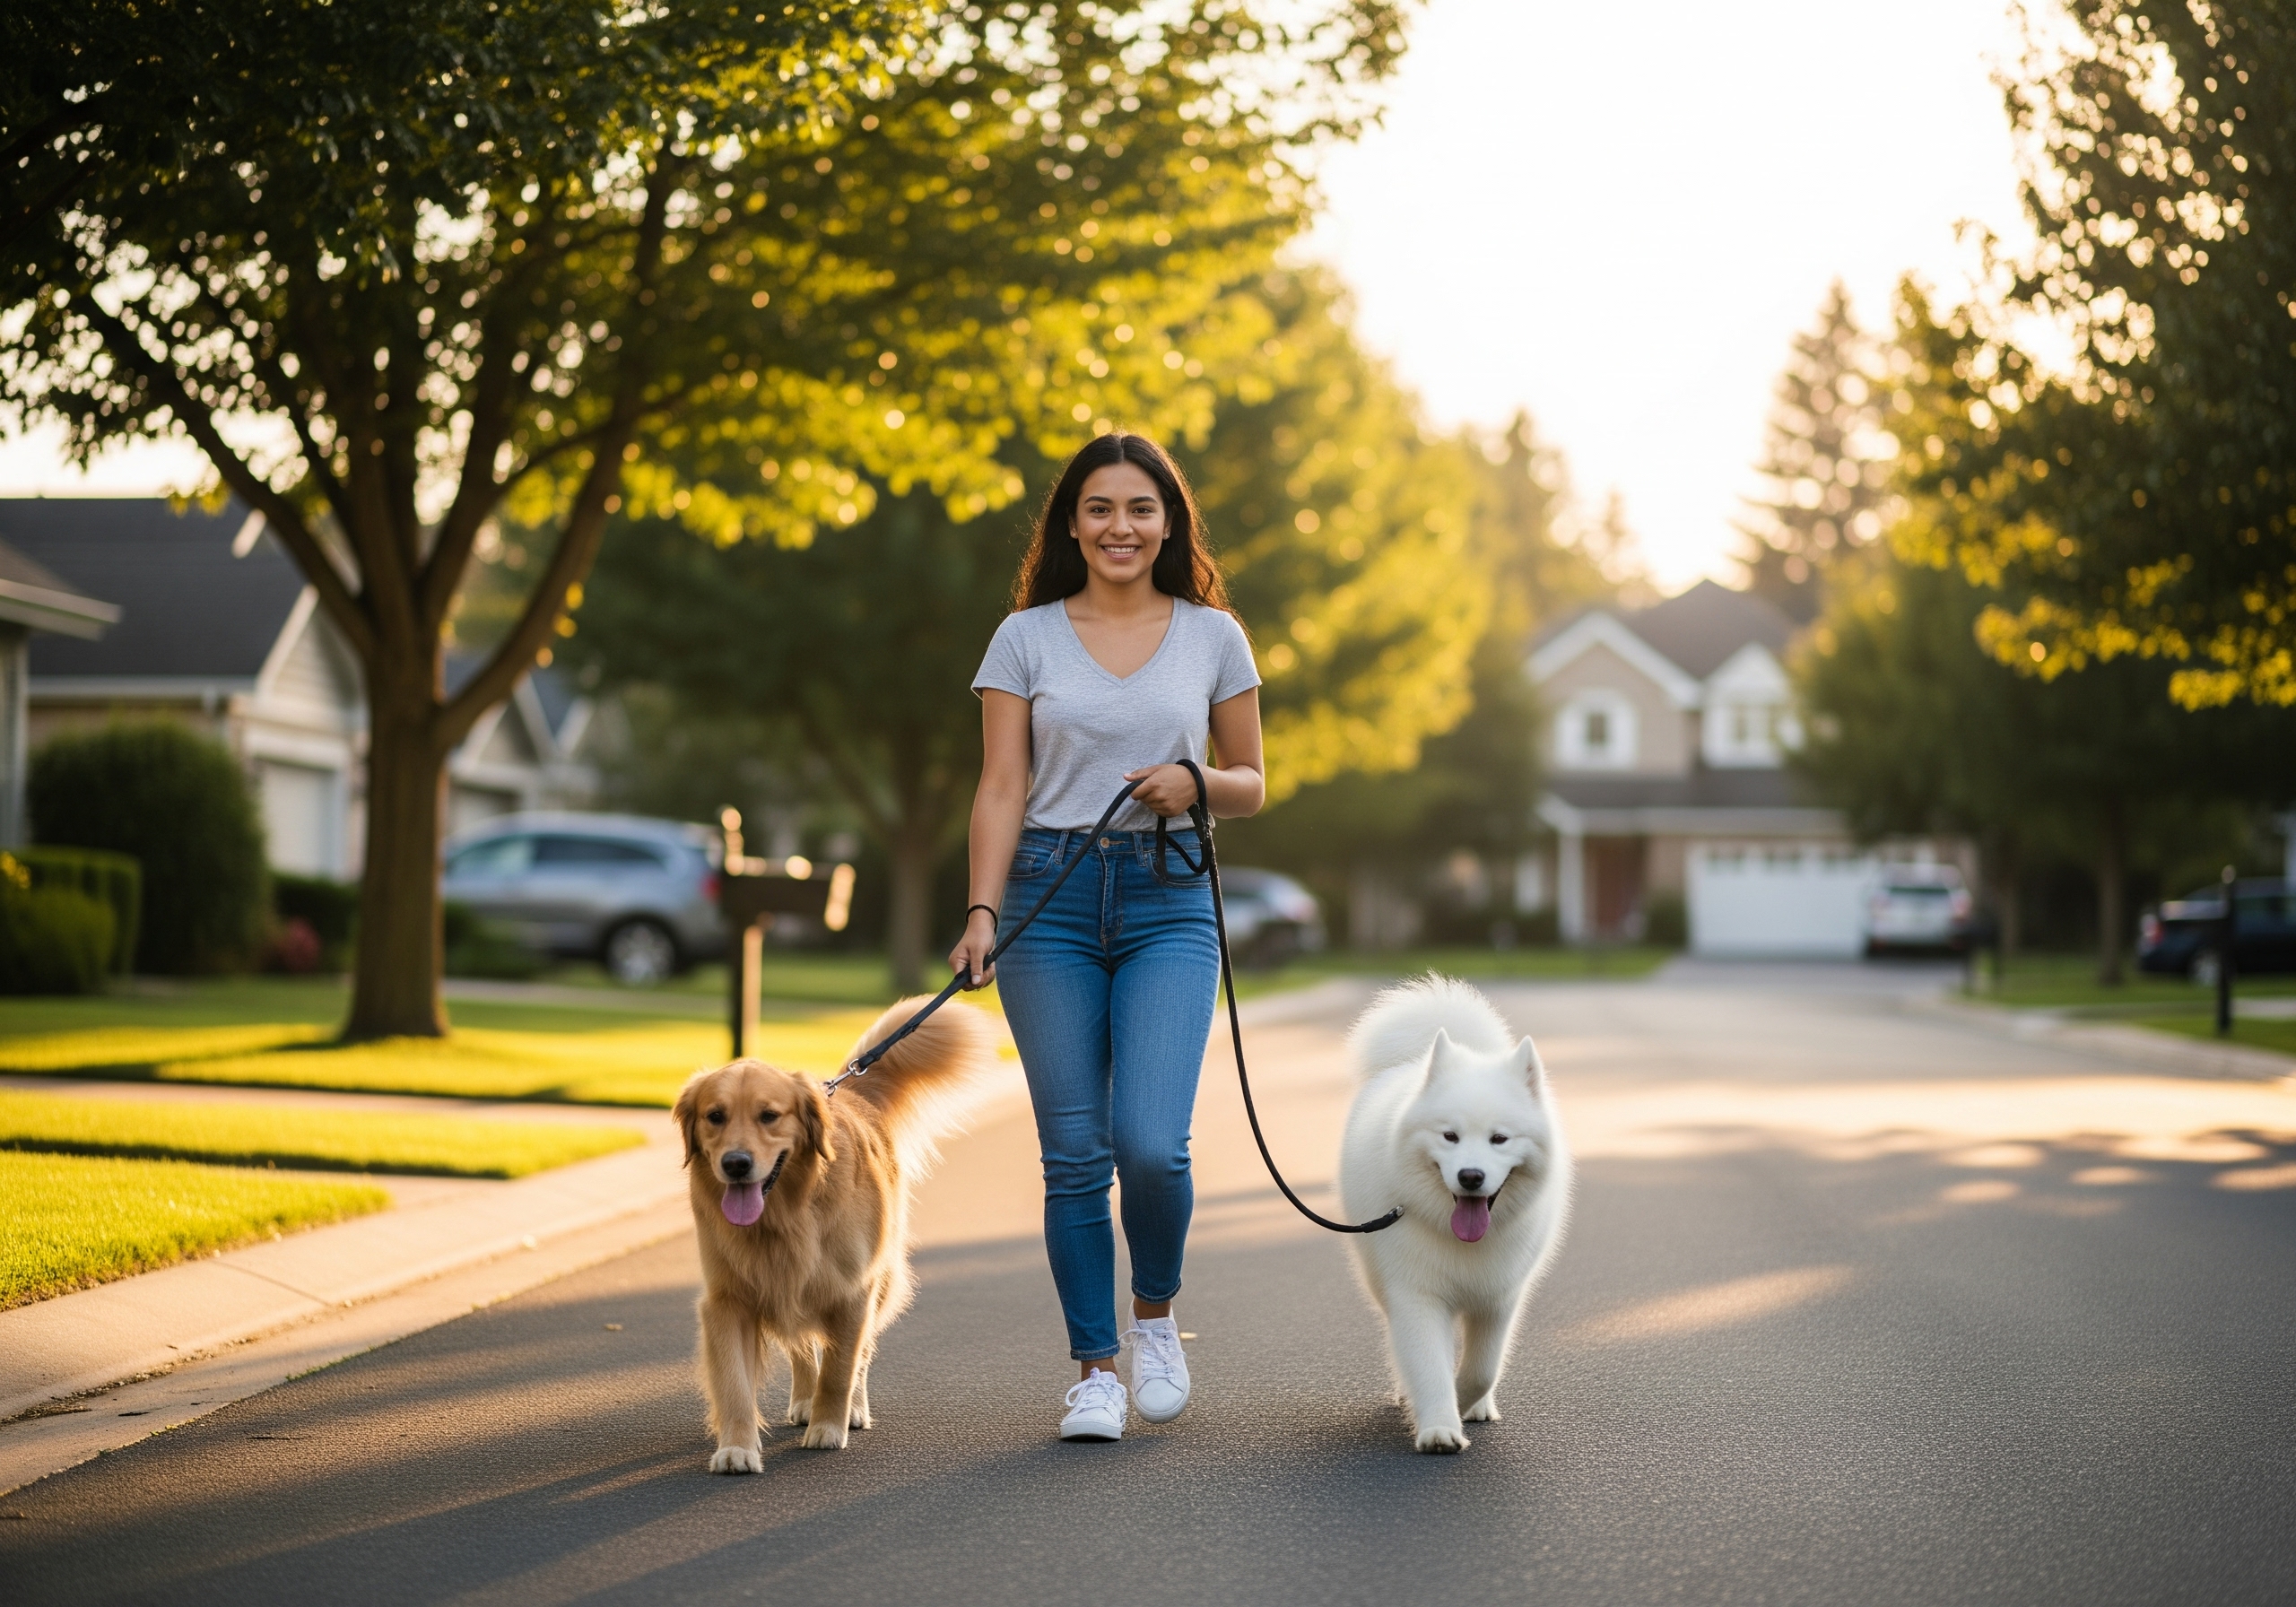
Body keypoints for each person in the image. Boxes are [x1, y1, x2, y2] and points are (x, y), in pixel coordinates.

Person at [952, 431, 1265, 1442]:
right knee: (1075, 1153)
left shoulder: (1213, 635)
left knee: (1151, 1145)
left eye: (1139, 508)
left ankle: (1156, 1318)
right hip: (1048, 898)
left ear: (1168, 520)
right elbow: (1000, 785)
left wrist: (1198, 782)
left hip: (1167, 899)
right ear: (1071, 523)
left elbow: (1254, 782)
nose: (1119, 526)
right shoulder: (1025, 637)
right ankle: (1094, 1368)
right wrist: (981, 913)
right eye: (1098, 508)